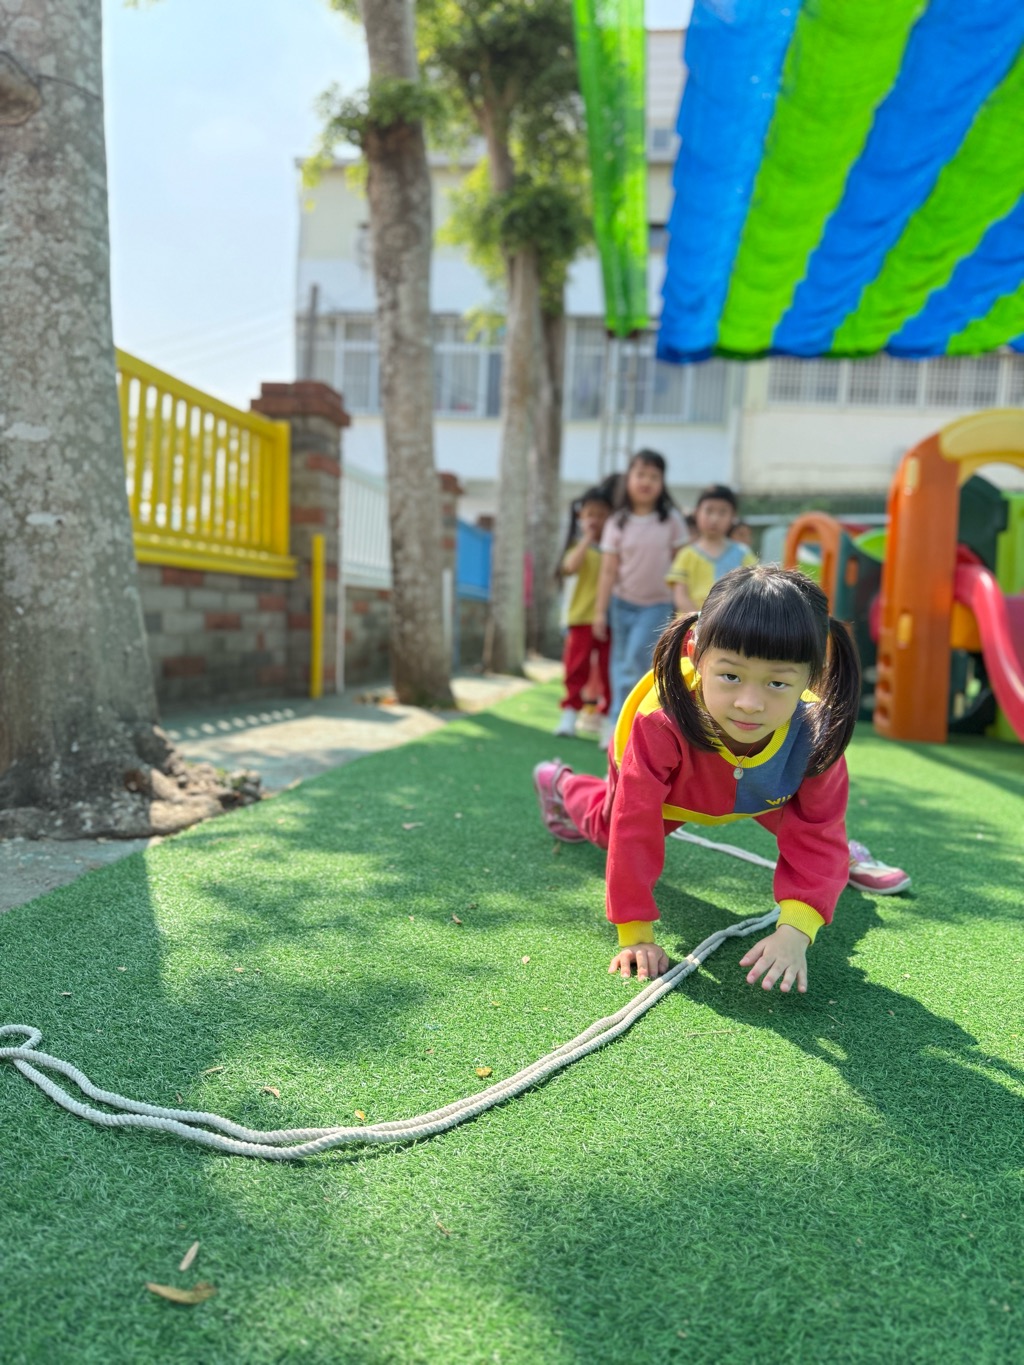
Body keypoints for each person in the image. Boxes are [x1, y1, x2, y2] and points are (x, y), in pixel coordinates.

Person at [532, 565, 911, 992]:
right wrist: (635, 933)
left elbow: (818, 830)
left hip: (764, 794)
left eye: (777, 683)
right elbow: (632, 826)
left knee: (819, 841)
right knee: (607, 829)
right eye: (730, 676)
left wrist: (795, 932)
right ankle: (562, 784)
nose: (749, 703)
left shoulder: (816, 735)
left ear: (811, 676)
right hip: (675, 794)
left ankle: (847, 856)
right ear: (695, 653)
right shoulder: (658, 724)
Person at [593, 450, 687, 749]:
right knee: (620, 663)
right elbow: (608, 570)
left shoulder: (670, 521)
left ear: (662, 482)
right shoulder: (617, 522)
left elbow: (682, 564)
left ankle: (639, 722)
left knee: (638, 659)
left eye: (654, 476)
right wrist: (599, 611)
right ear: (628, 479)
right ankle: (615, 723)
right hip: (621, 604)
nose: (646, 481)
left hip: (657, 604)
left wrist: (682, 604)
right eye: (640, 474)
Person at [554, 486, 614, 738]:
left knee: (609, 670)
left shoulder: (614, 550)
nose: (595, 520)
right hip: (580, 618)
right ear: (580, 517)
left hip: (610, 620)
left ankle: (607, 718)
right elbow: (569, 567)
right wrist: (587, 538)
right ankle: (570, 712)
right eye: (590, 514)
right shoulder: (579, 548)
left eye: (601, 515)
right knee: (576, 666)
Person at [667, 484, 756, 616]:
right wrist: (700, 619)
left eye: (722, 512)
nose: (714, 518)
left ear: (733, 517)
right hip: (691, 624)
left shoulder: (743, 553)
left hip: (731, 623)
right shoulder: (686, 554)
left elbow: (753, 590)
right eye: (708, 511)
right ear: (697, 513)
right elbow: (680, 597)